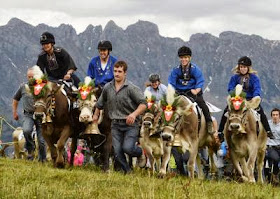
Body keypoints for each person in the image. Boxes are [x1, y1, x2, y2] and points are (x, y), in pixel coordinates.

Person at [92, 60, 147, 174]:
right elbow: (100, 103)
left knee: (127, 148)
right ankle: (127, 171)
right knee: (117, 151)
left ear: (125, 73)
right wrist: (96, 115)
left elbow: (143, 104)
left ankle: (140, 153)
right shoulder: (108, 87)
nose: (117, 74)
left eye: (119, 71)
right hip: (115, 124)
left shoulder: (131, 88)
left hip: (130, 124)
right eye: (115, 71)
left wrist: (134, 114)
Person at [218, 56, 274, 139]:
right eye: (241, 67)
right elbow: (230, 88)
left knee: (261, 112)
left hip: (250, 101)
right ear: (238, 67)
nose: (242, 69)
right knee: (226, 111)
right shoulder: (234, 78)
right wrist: (234, 95)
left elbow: (257, 88)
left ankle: (268, 131)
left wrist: (256, 97)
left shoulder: (254, 78)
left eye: (244, 67)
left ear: (248, 68)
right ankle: (220, 131)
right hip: (237, 100)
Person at [168, 46, 214, 134]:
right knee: (168, 107)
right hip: (180, 93)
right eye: (181, 58)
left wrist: (196, 90)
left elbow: (200, 81)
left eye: (185, 57)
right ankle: (166, 125)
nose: (183, 60)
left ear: (189, 58)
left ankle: (209, 123)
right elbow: (171, 82)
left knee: (202, 105)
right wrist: (172, 92)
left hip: (192, 92)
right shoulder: (176, 70)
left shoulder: (195, 69)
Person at [12, 68, 46, 161]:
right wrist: (14, 112)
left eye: (32, 76)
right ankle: (30, 149)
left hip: (40, 115)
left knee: (41, 140)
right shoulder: (23, 87)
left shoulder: (42, 86)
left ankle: (43, 159)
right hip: (28, 115)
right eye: (29, 77)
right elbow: (15, 99)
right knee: (26, 130)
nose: (30, 78)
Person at [266, 108, 280, 184]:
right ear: (271, 116)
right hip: (270, 146)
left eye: (276, 115)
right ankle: (275, 174)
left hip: (279, 146)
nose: (275, 116)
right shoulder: (268, 124)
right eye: (273, 115)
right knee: (276, 158)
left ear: (279, 116)